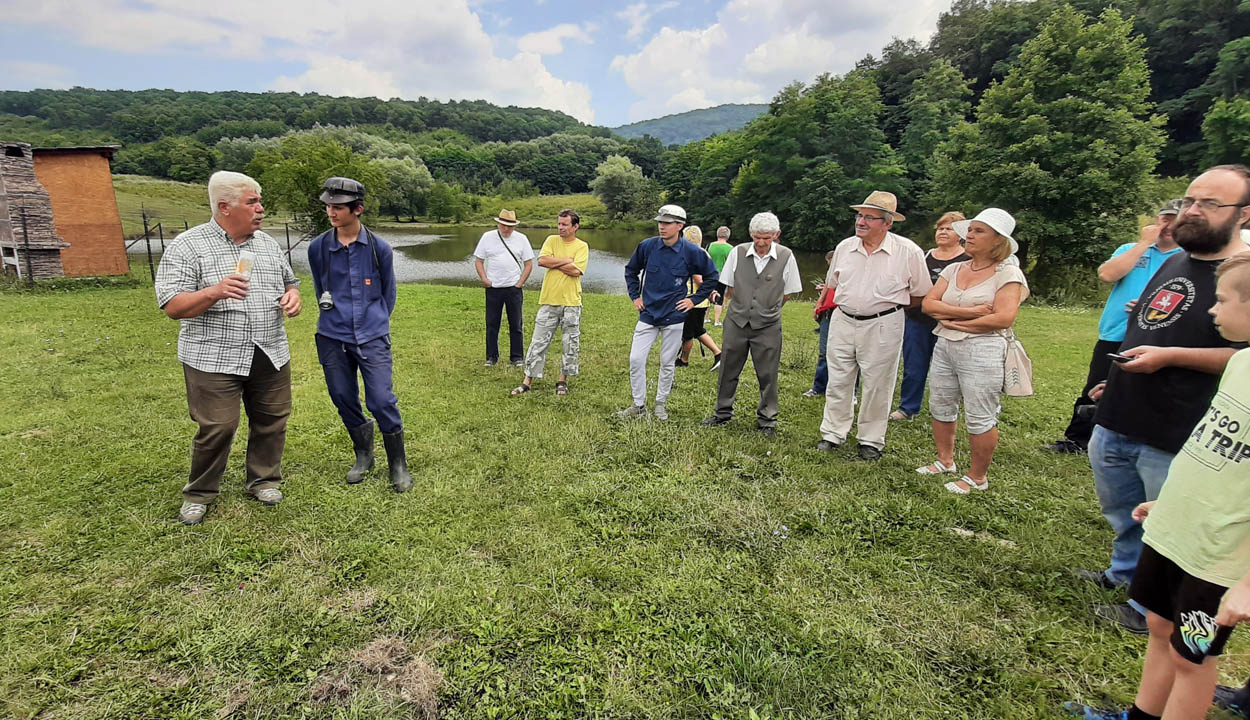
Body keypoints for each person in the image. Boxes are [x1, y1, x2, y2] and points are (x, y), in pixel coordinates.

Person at [1064, 252, 1250, 720]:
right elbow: (1210, 447)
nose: (1212, 309)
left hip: (1217, 554)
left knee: (1194, 659)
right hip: (1177, 527)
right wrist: (1169, 501)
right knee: (1158, 626)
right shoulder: (1241, 365)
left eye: (1223, 300)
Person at [1073, 165, 1250, 635]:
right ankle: (1124, 572)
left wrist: (1169, 356)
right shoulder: (1174, 260)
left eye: (1210, 204)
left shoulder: (1242, 276)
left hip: (1181, 422)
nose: (1190, 211)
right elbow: (1151, 323)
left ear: (1244, 214)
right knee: (1124, 507)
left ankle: (1150, 605)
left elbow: (1244, 356)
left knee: (1168, 519)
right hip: (1124, 407)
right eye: (1190, 200)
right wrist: (1119, 380)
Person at [154, 171, 301, 525]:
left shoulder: (266, 243)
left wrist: (293, 296)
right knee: (218, 426)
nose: (260, 209)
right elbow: (173, 305)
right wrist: (214, 291)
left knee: (271, 420)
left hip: (268, 349)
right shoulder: (188, 246)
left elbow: (290, 280)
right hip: (213, 355)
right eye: (252, 202)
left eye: (259, 201)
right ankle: (200, 493)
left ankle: (264, 480)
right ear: (224, 207)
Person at [1043, 199, 1183, 454]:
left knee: (1145, 389)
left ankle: (1133, 440)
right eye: (1165, 218)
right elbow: (1107, 275)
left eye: (1176, 220)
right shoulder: (1133, 249)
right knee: (1095, 385)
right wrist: (1143, 244)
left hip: (1158, 335)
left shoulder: (1186, 257)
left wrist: (1149, 304)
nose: (1169, 226)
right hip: (1116, 331)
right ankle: (1077, 439)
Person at [307, 177, 413, 494]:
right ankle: (364, 454)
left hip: (372, 336)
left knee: (381, 400)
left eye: (338, 207)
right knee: (342, 396)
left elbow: (388, 295)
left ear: (358, 209)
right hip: (332, 335)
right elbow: (319, 289)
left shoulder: (380, 249)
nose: (331, 211)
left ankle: (398, 463)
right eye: (328, 205)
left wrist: (372, 322)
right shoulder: (318, 249)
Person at [915, 209, 1029, 493]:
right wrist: (969, 312)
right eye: (971, 230)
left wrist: (955, 321)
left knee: (979, 413)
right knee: (940, 403)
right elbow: (928, 304)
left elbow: (1003, 318)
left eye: (979, 231)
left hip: (983, 349)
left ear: (997, 240)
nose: (970, 236)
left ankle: (978, 477)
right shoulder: (954, 269)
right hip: (945, 344)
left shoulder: (1008, 273)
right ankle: (945, 460)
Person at [816, 191, 932, 460]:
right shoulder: (845, 247)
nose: (861, 221)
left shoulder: (908, 251)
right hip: (843, 319)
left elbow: (920, 293)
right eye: (860, 215)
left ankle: (870, 440)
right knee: (839, 378)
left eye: (870, 217)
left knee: (878, 383)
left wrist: (885, 307)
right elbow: (832, 285)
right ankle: (832, 433)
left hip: (883, 322)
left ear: (887, 223)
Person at [701, 212, 801, 436]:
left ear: (777, 235)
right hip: (736, 321)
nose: (762, 243)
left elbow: (788, 292)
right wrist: (743, 305)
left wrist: (768, 308)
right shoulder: (737, 252)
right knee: (728, 369)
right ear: (750, 234)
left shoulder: (786, 256)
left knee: (768, 373)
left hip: (768, 325)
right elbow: (729, 286)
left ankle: (767, 420)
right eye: (757, 237)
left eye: (767, 238)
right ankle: (722, 413)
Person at [619, 207, 718, 420]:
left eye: (667, 223)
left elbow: (712, 276)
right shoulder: (647, 247)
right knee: (636, 359)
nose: (661, 226)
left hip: (674, 316)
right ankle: (638, 406)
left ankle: (660, 405)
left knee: (667, 362)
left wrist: (693, 300)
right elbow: (631, 271)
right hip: (648, 314)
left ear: (680, 226)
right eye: (660, 222)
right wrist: (635, 296)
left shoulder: (692, 252)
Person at [890, 212, 969, 420]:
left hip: (953, 323)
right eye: (940, 228)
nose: (942, 232)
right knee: (914, 365)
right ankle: (908, 407)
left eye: (948, 228)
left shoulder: (968, 260)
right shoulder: (923, 256)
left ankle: (952, 408)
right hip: (918, 320)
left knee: (953, 368)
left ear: (960, 234)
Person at [512, 209, 588, 396]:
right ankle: (527, 381)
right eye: (559, 224)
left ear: (575, 227)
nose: (560, 227)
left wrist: (557, 262)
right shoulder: (551, 240)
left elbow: (576, 271)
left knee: (569, 343)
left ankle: (563, 380)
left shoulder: (582, 246)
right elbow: (542, 260)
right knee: (538, 342)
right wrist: (566, 261)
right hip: (548, 301)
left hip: (571, 302)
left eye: (565, 224)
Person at [472, 209, 534, 368]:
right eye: (503, 225)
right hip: (494, 288)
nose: (506, 229)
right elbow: (478, 260)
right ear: (498, 224)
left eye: (509, 226)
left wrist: (520, 283)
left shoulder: (522, 239)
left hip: (514, 289)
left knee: (516, 324)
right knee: (492, 323)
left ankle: (517, 357)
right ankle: (491, 357)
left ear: (514, 226)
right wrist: (485, 279)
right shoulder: (487, 237)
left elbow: (528, 264)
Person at [675, 225, 723, 371]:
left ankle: (685, 360)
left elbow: (699, 279)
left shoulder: (692, 254)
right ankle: (717, 355)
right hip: (701, 301)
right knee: (696, 330)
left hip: (693, 301)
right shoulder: (703, 253)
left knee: (689, 333)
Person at [803, 250, 838, 398]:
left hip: (845, 313)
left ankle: (850, 392)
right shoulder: (833, 268)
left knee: (850, 355)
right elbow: (828, 285)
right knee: (824, 352)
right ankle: (819, 388)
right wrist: (819, 303)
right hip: (828, 312)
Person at [708, 226, 733, 326]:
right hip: (722, 276)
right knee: (720, 297)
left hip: (709, 274)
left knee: (708, 296)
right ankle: (717, 321)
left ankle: (706, 318)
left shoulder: (710, 246)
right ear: (728, 236)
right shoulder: (730, 248)